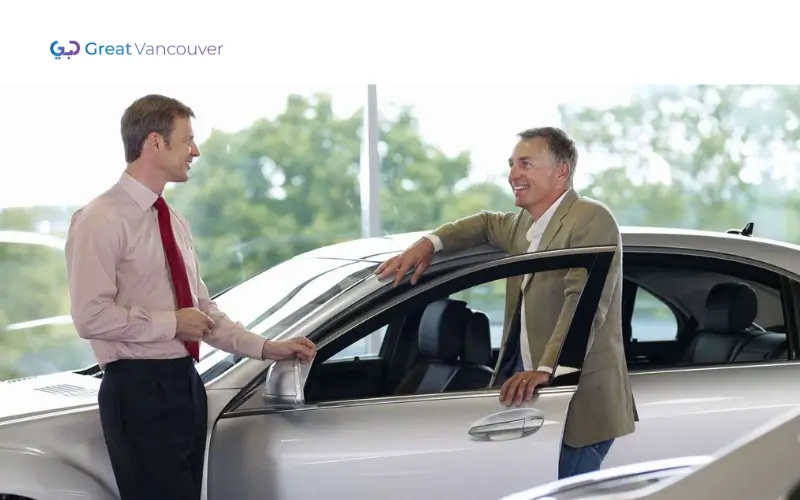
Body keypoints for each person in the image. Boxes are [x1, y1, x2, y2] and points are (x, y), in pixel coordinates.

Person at [65, 94, 316, 500]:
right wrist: (172, 323)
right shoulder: (100, 219)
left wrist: (268, 348)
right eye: (187, 140)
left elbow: (202, 312)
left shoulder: (173, 220)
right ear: (155, 143)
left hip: (184, 383)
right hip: (137, 390)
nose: (195, 151)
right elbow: (89, 316)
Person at [376, 126, 636, 479]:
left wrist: (545, 370)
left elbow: (584, 304)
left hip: (579, 401)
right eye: (512, 164)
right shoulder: (522, 226)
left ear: (561, 171)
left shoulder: (591, 219)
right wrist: (428, 243)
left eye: (525, 163)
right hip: (534, 402)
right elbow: (483, 225)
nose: (513, 174)